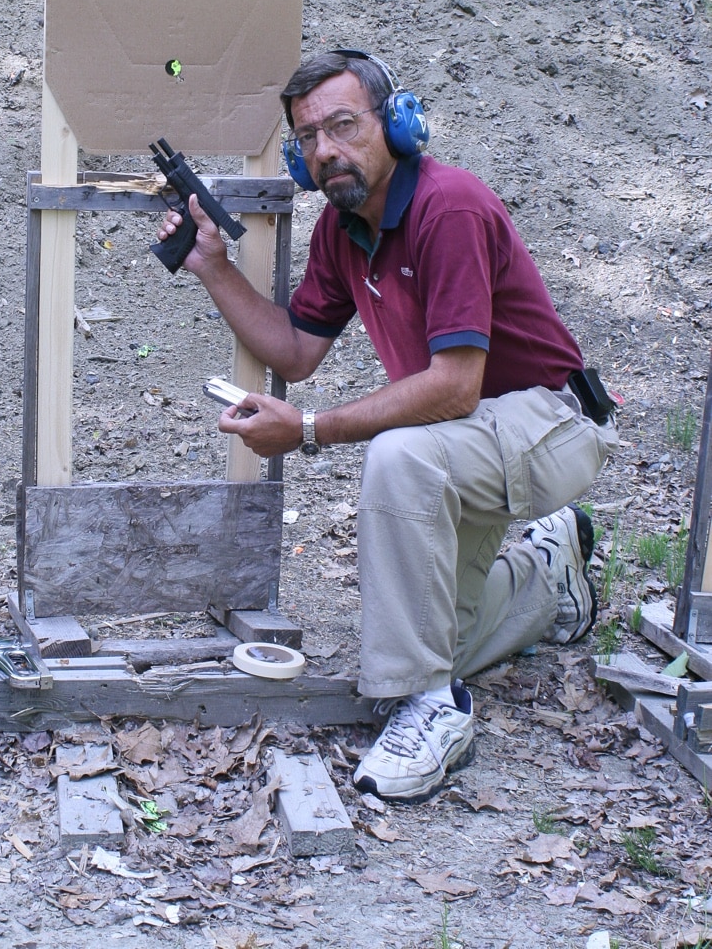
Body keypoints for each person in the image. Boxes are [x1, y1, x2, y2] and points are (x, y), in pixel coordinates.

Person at [157, 49, 618, 803]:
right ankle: (547, 581)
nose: (326, 150)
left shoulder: (449, 207)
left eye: (343, 125)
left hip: (551, 424)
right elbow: (297, 351)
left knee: (399, 458)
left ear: (397, 125)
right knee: (441, 640)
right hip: (472, 443)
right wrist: (212, 265)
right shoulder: (340, 233)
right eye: (308, 138)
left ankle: (434, 711)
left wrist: (309, 430)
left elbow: (453, 387)